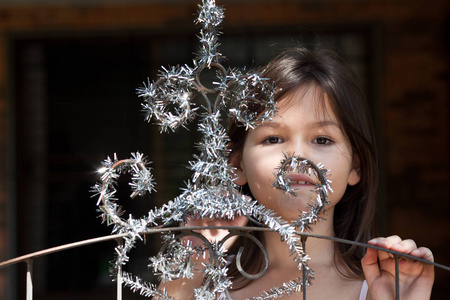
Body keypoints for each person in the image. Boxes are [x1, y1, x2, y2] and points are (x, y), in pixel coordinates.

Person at [161, 47, 435, 299]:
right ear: (237, 166)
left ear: (355, 167)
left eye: (322, 140)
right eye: (273, 139)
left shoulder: (381, 288)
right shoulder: (205, 286)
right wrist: (185, 276)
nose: (298, 157)